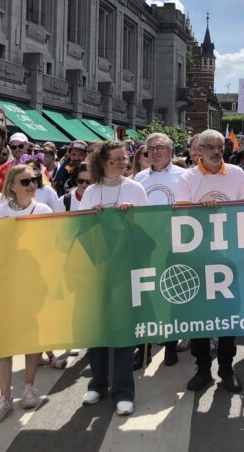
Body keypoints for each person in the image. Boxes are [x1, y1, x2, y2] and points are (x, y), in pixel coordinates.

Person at [176, 129, 244, 394]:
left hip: (229, 259)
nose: (217, 151)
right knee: (200, 318)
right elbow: (181, 217)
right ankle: (203, 369)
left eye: (221, 146)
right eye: (211, 147)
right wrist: (198, 208)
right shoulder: (187, 178)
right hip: (199, 259)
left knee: (229, 318)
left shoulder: (237, 174)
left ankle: (227, 369)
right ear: (199, 150)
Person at [79, 140, 148, 417]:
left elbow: (148, 231)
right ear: (101, 163)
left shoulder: (135, 189)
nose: (122, 163)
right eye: (115, 160)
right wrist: (90, 220)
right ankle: (98, 383)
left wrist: (132, 218)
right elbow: (79, 233)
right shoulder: (91, 193)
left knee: (122, 332)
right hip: (96, 272)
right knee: (96, 332)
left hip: (126, 271)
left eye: (124, 158)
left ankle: (124, 391)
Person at [0, 164, 53, 423]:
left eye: (35, 180)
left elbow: (50, 245)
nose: (32, 185)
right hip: (4, 281)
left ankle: (28, 385)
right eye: (25, 181)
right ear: (12, 185)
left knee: (31, 335)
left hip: (33, 280)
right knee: (3, 339)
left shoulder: (44, 210)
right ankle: (4, 396)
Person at [133, 133, 187, 368]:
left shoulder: (183, 176)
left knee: (172, 292)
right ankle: (143, 349)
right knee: (146, 294)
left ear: (170, 150)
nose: (155, 152)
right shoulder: (139, 178)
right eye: (150, 148)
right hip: (146, 244)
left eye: (160, 148)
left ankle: (171, 345)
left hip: (174, 242)